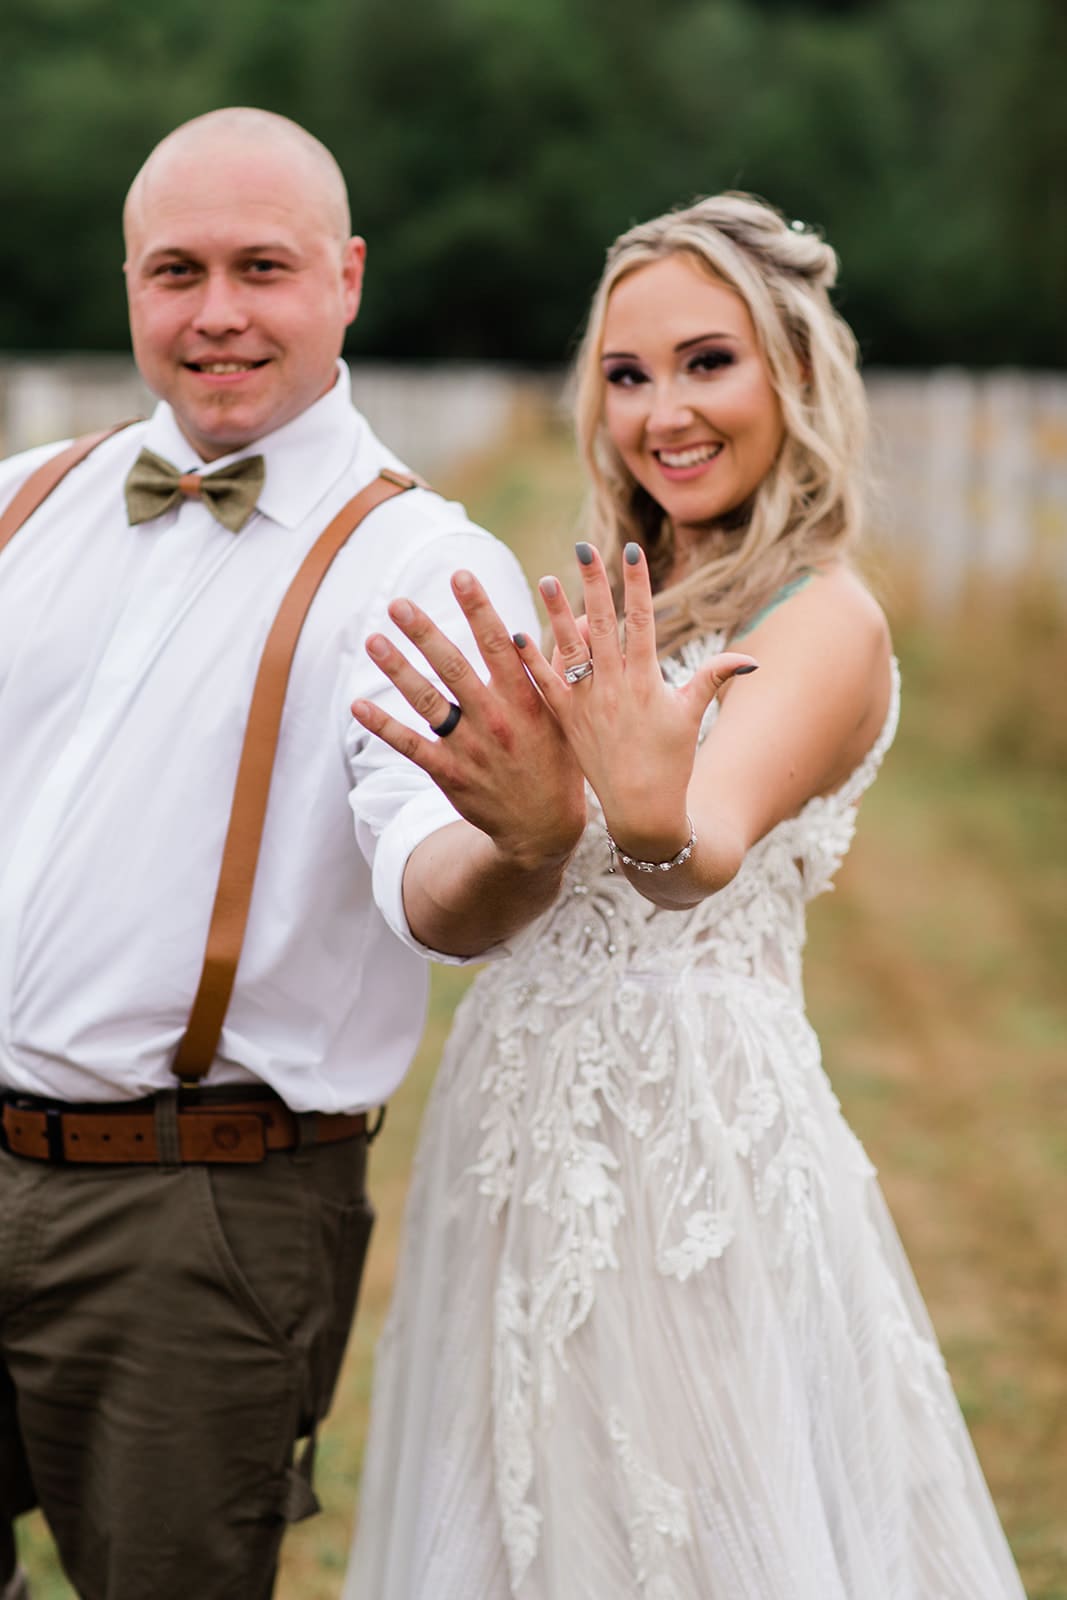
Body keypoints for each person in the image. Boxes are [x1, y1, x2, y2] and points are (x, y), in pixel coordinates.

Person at [344, 195, 1027, 1597]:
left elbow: (695, 849)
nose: (666, 411)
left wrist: (645, 813)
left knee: (691, 1515)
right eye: (628, 373)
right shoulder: (618, 603)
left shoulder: (827, 618)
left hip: (686, 1139)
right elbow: (523, 858)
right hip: (518, 1127)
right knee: (519, 1501)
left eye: (708, 362)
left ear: (795, 372)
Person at [0, 107, 590, 1600]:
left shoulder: (420, 565)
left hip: (193, 1209)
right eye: (175, 271)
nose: (216, 313)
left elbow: (436, 877)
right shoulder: (22, 502)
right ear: (130, 284)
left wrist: (523, 850)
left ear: (348, 278)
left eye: (260, 268)